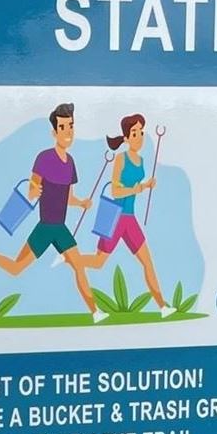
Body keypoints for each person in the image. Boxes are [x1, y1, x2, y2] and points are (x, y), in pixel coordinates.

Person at [0, 103, 100, 318]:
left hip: (60, 228)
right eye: (63, 127)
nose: (68, 132)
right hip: (45, 227)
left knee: (79, 266)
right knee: (16, 268)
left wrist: (81, 203)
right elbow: (32, 190)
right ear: (54, 132)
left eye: (71, 126)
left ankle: (95, 312)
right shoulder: (44, 158)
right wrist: (35, 190)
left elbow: (68, 198)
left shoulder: (70, 163)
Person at [83, 114, 168, 314]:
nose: (139, 137)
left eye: (141, 132)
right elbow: (115, 191)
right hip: (115, 217)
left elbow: (136, 186)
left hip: (130, 219)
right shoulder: (121, 159)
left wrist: (147, 185)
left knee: (147, 262)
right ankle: (71, 258)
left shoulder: (142, 161)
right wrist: (139, 188)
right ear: (127, 138)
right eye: (134, 133)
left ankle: (163, 307)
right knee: (98, 262)